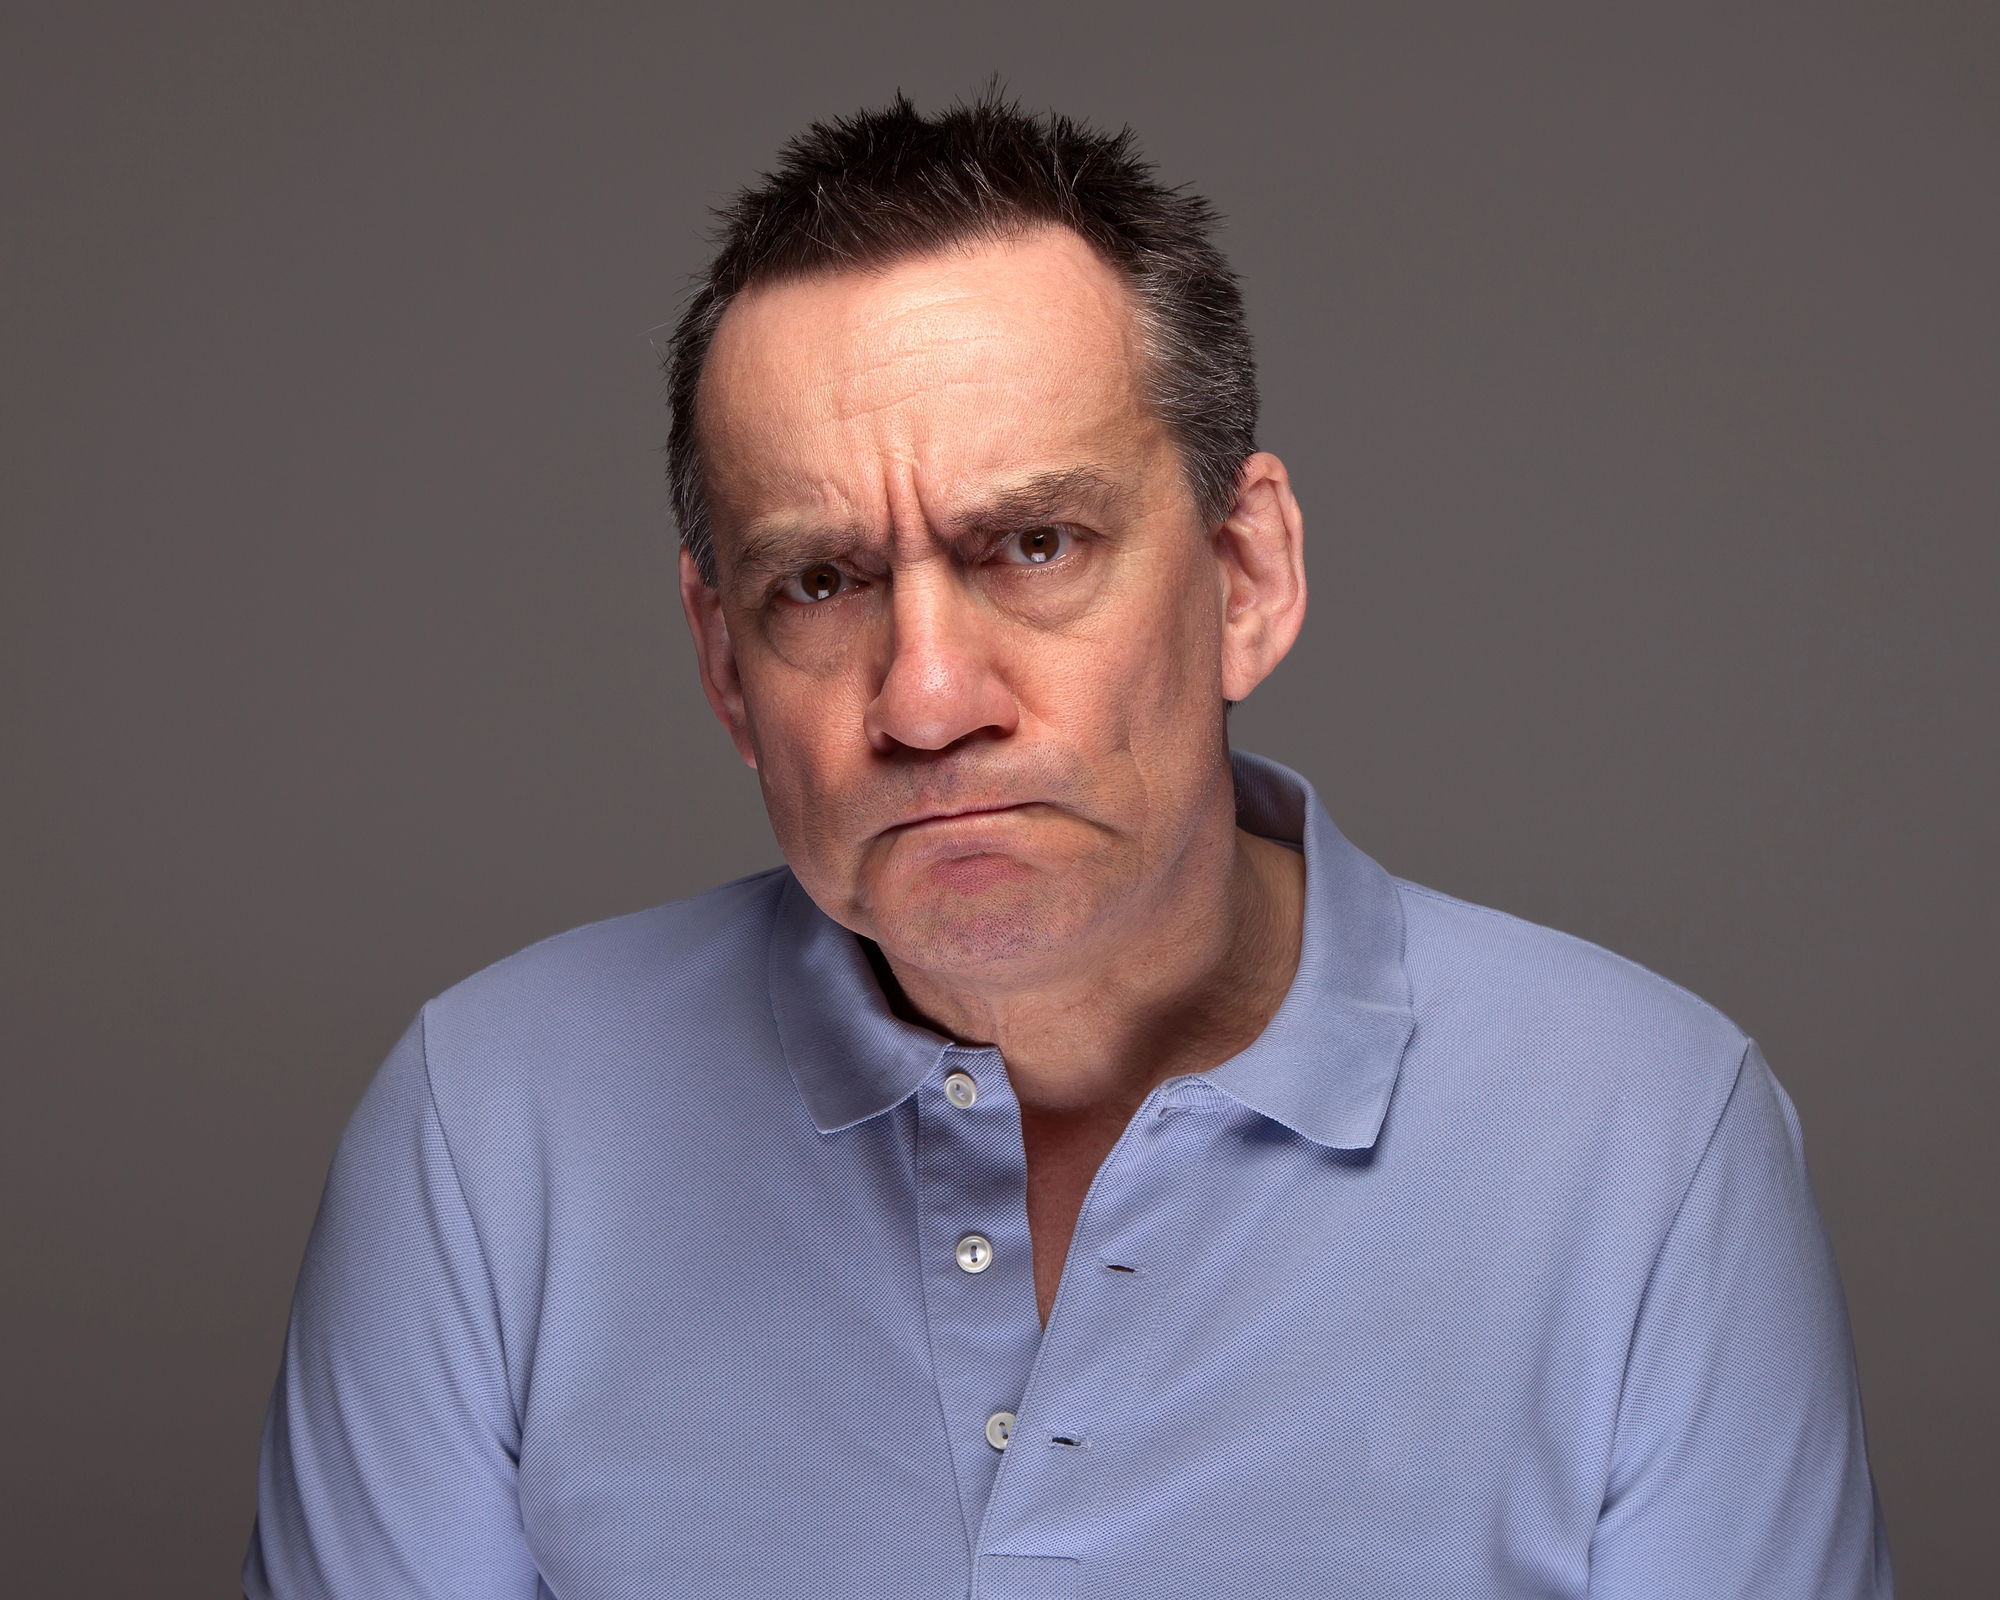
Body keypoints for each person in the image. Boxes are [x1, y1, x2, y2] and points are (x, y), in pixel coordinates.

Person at [244, 93, 1890, 1599]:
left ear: (1246, 576)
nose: (930, 696)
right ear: (720, 662)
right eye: (819, 582)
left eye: (1035, 544)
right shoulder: (484, 1135)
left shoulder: (1651, 1143)